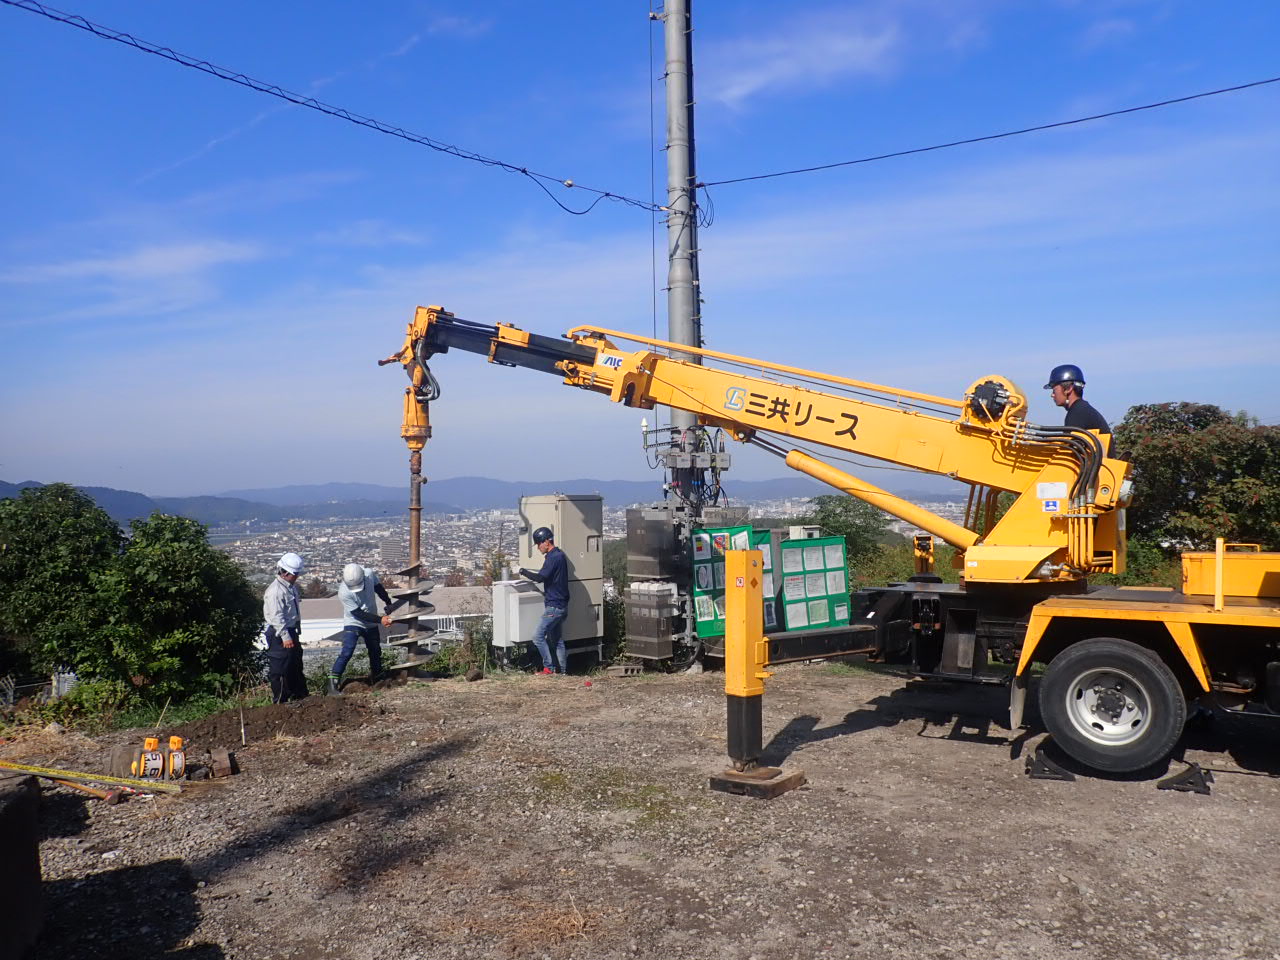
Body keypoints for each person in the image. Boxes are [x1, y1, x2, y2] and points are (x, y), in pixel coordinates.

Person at [327, 563, 393, 695]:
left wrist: (388, 602)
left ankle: (377, 676)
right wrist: (380, 619)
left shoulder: (368, 574)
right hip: (354, 621)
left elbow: (378, 588)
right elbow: (358, 613)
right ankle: (332, 683)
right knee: (347, 650)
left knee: (375, 650)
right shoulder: (344, 592)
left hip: (371, 620)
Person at [518, 526, 570, 675]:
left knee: (538, 636)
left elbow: (541, 577)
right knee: (557, 639)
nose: (538, 547)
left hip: (554, 605)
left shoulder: (554, 557)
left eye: (539, 543)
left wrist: (522, 571)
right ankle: (562, 672)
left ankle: (549, 668)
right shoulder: (559, 555)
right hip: (562, 604)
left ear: (547, 541)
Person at [263, 552, 308, 704]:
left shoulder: (290, 588)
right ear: (285, 572)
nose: (297, 576)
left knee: (295, 664)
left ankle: (300, 695)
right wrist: (285, 636)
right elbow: (276, 616)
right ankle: (280, 700)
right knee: (280, 668)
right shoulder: (275, 591)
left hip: (290, 629)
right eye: (295, 574)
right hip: (279, 632)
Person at [1044, 364, 1111, 439]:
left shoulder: (1077, 414)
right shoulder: (1083, 409)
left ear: (1068, 389)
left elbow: (1069, 448)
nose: (1052, 395)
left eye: (1054, 390)